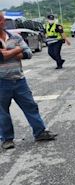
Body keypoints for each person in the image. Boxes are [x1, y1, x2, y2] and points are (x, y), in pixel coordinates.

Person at [0, 11, 57, 150]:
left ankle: (40, 132)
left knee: (30, 106)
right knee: (2, 111)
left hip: (19, 80)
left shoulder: (15, 36)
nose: (2, 22)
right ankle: (7, 139)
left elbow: (28, 53)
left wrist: (11, 52)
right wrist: (16, 50)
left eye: (1, 19)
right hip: (2, 82)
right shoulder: (16, 39)